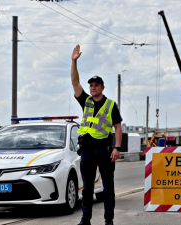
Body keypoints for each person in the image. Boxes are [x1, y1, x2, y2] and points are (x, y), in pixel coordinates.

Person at [71, 45, 123, 225]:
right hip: (86, 150)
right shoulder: (85, 101)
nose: (92, 88)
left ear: (102, 87)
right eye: (91, 86)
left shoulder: (110, 105)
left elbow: (117, 127)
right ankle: (86, 220)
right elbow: (75, 83)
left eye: (96, 85)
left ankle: (109, 221)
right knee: (87, 188)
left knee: (108, 187)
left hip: (104, 150)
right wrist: (74, 61)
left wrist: (117, 148)